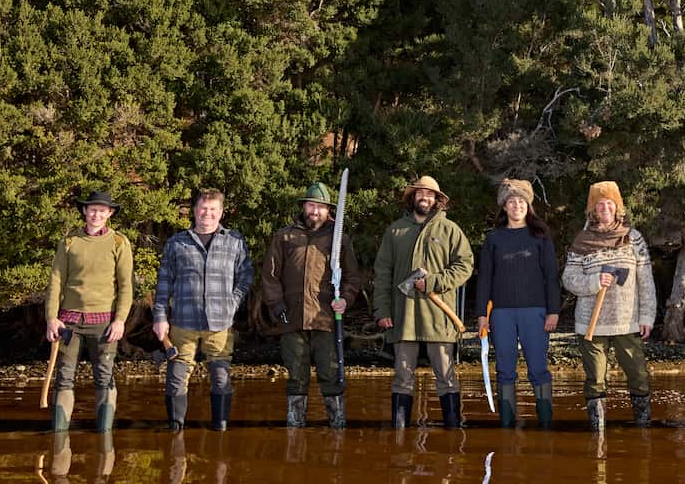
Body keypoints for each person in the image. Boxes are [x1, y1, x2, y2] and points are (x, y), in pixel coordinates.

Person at [372, 175, 474, 429]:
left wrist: (434, 282)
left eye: (430, 194)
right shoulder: (395, 231)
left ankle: (453, 434)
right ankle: (400, 436)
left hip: (440, 317)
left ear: (437, 200)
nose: (425, 198)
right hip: (402, 317)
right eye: (421, 193)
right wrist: (382, 310)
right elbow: (382, 273)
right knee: (402, 378)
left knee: (446, 377)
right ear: (412, 198)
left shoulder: (450, 230)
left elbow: (465, 266)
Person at [260, 181, 363, 429]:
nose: (314, 211)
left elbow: (352, 278)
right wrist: (276, 304)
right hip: (291, 319)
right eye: (310, 205)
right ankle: (295, 430)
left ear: (328, 211)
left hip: (326, 320)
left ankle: (337, 430)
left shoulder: (339, 240)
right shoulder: (284, 237)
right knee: (296, 377)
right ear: (303, 207)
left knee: (331, 375)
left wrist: (345, 299)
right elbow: (270, 275)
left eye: (320, 207)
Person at [153, 188, 253, 431]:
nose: (207, 213)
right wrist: (159, 316)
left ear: (221, 212)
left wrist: (233, 302)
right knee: (176, 377)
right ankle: (176, 427)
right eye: (203, 208)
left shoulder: (235, 241)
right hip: (182, 322)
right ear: (195, 210)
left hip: (220, 322)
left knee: (220, 376)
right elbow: (164, 282)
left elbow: (245, 275)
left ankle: (220, 426)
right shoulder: (177, 242)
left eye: (213, 209)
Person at [561, 181, 657, 431]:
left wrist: (647, 315)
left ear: (617, 207)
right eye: (599, 204)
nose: (604, 208)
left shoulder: (633, 238)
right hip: (591, 325)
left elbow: (645, 280)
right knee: (595, 380)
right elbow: (568, 279)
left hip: (627, 321)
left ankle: (643, 429)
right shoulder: (581, 241)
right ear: (592, 210)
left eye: (609, 203)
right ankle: (598, 433)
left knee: (639, 376)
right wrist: (594, 281)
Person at [474, 178, 560, 428]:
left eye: (521, 201)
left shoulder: (541, 236)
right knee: (505, 370)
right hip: (501, 314)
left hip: (535, 312)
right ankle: (507, 425)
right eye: (511, 201)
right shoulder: (494, 239)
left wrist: (553, 311)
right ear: (504, 207)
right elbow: (485, 279)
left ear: (528, 205)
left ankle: (545, 425)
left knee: (538, 369)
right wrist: (482, 315)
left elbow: (551, 276)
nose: (516, 205)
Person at [45, 190, 133, 432]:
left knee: (104, 377)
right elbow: (56, 282)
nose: (97, 214)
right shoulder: (69, 242)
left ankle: (104, 444)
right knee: (64, 378)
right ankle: (59, 442)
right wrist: (51, 318)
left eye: (102, 210)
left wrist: (120, 320)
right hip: (68, 322)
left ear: (110, 213)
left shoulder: (119, 243)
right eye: (92, 209)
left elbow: (126, 286)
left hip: (104, 323)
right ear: (84, 211)